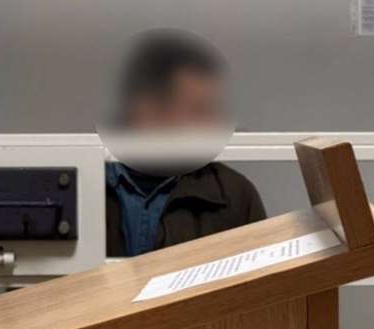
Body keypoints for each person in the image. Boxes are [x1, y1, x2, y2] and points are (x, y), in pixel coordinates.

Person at [105, 29, 266, 257]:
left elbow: (263, 279)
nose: (213, 126)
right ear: (148, 108)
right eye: (199, 110)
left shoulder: (235, 195)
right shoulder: (81, 184)